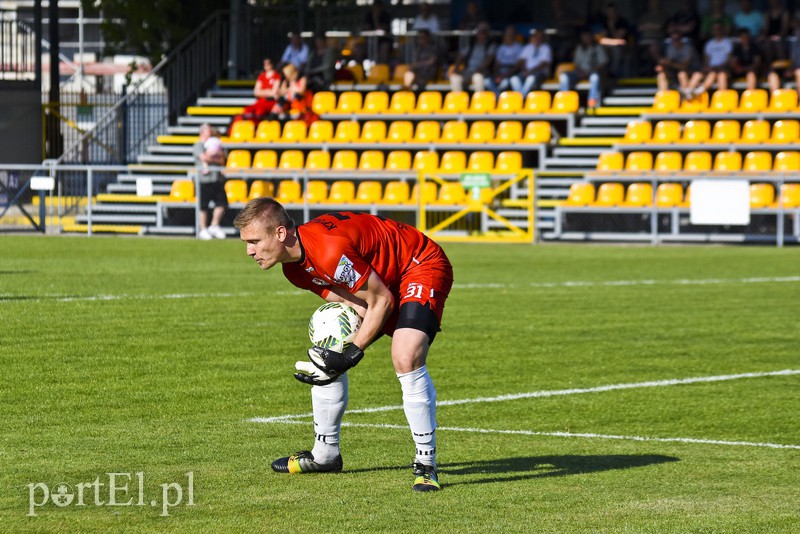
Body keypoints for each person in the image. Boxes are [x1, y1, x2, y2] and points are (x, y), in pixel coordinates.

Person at [234, 199, 454, 492]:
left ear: (281, 234)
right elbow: (359, 305)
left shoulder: (327, 251)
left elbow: (382, 302)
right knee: (328, 352)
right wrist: (337, 355)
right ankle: (325, 455)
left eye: (254, 242)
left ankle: (426, 463)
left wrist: (353, 352)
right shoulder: (293, 270)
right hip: (382, 280)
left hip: (418, 263)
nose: (249, 251)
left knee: (406, 355)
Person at [559, 28, 608, 108]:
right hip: (579, 72)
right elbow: (576, 64)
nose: (586, 38)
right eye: (584, 36)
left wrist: (592, 70)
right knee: (564, 76)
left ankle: (592, 100)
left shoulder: (597, 47)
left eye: (587, 36)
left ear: (591, 36)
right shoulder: (579, 48)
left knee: (595, 78)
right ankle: (565, 99)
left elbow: (603, 62)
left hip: (592, 72)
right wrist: (580, 71)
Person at [193, 124, 227, 240]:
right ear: (202, 132)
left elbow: (223, 158)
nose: (211, 132)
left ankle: (214, 225)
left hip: (217, 179)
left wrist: (215, 157)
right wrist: (215, 158)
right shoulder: (199, 145)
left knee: (222, 203)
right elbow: (204, 158)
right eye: (208, 131)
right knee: (203, 206)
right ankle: (203, 229)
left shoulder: (216, 143)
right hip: (204, 181)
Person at [683, 22, 732, 97]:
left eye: (718, 29)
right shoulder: (709, 44)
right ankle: (688, 92)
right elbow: (707, 59)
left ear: (722, 30)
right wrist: (707, 67)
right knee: (697, 74)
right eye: (715, 29)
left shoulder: (727, 42)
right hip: (711, 69)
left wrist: (718, 67)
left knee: (719, 75)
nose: (717, 31)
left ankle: (719, 98)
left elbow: (729, 59)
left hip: (723, 68)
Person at [448, 22, 496, 92]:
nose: (480, 34)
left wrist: (478, 69)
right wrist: (456, 68)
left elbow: (489, 60)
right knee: (454, 77)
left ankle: (479, 101)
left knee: (477, 78)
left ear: (487, 34)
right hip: (468, 71)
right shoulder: (471, 44)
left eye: (483, 32)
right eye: (479, 31)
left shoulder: (491, 45)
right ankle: (459, 100)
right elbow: (461, 56)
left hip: (482, 72)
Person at [510, 29, 552, 97]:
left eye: (540, 36)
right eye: (537, 36)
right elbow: (521, 61)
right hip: (526, 71)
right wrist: (524, 70)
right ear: (534, 37)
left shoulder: (546, 48)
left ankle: (521, 99)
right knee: (514, 79)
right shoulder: (528, 47)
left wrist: (531, 71)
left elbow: (544, 63)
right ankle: (522, 97)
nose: (539, 38)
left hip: (540, 73)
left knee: (531, 79)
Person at [484, 25, 523, 96]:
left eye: (512, 34)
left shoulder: (518, 47)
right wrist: (497, 75)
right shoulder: (501, 48)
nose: (510, 36)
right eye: (508, 34)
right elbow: (496, 65)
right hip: (501, 71)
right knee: (487, 82)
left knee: (505, 83)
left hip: (512, 72)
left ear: (514, 35)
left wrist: (505, 75)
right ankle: (499, 98)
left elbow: (518, 66)